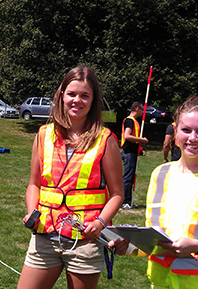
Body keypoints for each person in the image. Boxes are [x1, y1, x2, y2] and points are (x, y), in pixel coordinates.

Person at [109, 91, 198, 289]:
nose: (192, 138)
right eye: (186, 130)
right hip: (162, 282)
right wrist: (130, 246)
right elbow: (155, 238)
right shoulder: (160, 174)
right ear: (175, 132)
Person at [17, 66, 124, 289]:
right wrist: (31, 212)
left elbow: (117, 193)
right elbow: (34, 184)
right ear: (62, 96)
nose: (77, 100)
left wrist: (101, 222)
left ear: (93, 101)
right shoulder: (44, 135)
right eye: (72, 94)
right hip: (44, 236)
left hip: (85, 241)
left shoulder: (105, 140)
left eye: (85, 95)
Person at [121, 102, 149, 209]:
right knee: (127, 178)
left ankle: (129, 200)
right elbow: (127, 136)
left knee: (131, 177)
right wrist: (141, 140)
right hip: (128, 153)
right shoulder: (129, 121)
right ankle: (125, 202)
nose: (142, 112)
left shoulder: (134, 121)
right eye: (142, 110)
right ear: (137, 109)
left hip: (133, 152)